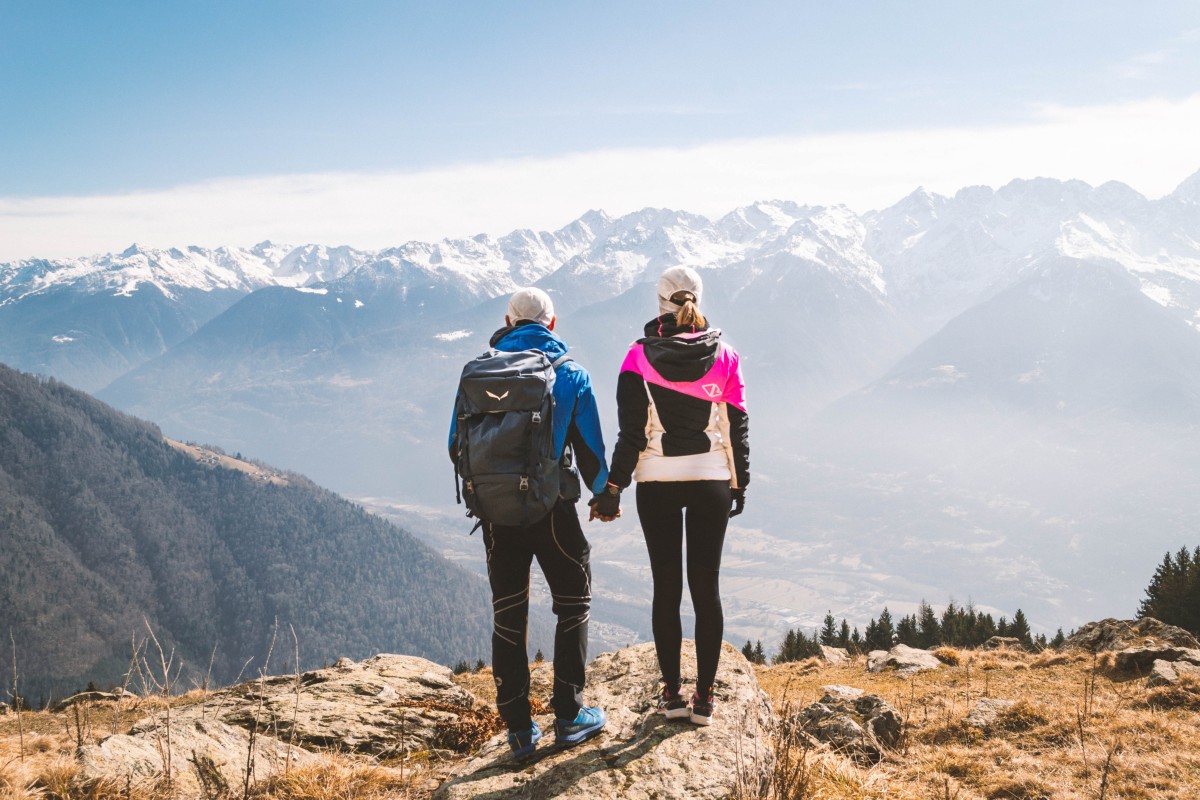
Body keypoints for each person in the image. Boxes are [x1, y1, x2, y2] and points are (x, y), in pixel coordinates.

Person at [449, 287, 611, 757]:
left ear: (507, 321)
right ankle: (569, 714)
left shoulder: (477, 374)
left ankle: (518, 730)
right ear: (553, 324)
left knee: (509, 613)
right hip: (552, 509)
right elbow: (591, 452)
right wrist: (605, 495)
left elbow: (455, 445)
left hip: (496, 512)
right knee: (572, 602)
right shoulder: (570, 374)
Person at [594, 266, 749, 726]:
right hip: (711, 480)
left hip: (657, 483)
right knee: (707, 589)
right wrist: (739, 484)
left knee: (666, 587)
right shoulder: (726, 355)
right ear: (697, 298)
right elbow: (736, 428)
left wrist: (613, 488)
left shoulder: (636, 358)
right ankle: (705, 699)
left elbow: (630, 435)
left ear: (659, 303)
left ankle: (673, 695)